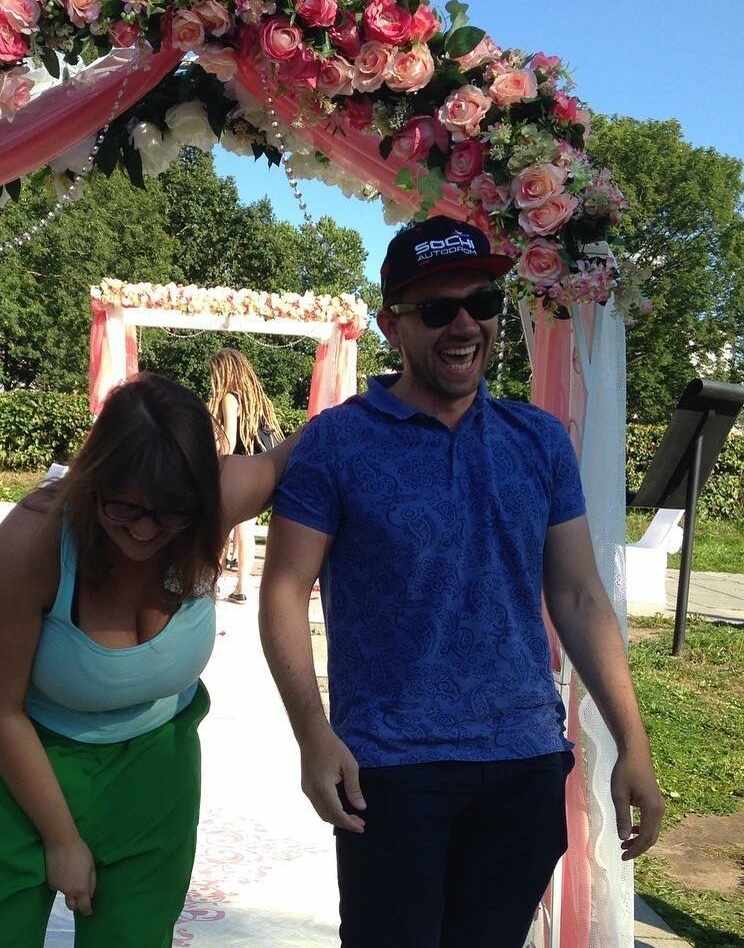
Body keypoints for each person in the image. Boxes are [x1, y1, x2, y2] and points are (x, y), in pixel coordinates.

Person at [258, 216, 664, 948]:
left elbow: (578, 596)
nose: (465, 325)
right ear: (392, 325)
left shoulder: (538, 440)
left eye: (482, 302)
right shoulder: (336, 442)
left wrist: (631, 742)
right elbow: (284, 590)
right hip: (390, 768)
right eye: (438, 309)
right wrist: (311, 734)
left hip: (522, 761)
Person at [0, 372, 297, 948]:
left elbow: (301, 447)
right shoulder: (33, 541)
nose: (147, 531)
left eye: (172, 513)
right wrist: (62, 840)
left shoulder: (213, 503)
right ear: (94, 481)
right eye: (126, 507)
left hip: (152, 767)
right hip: (18, 755)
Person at [207, 347, 284, 604]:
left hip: (237, 470)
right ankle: (242, 587)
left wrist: (213, 460)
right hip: (259, 470)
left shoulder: (230, 397)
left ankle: (212, 582)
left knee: (221, 527)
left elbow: (228, 441)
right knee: (245, 531)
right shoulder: (257, 400)